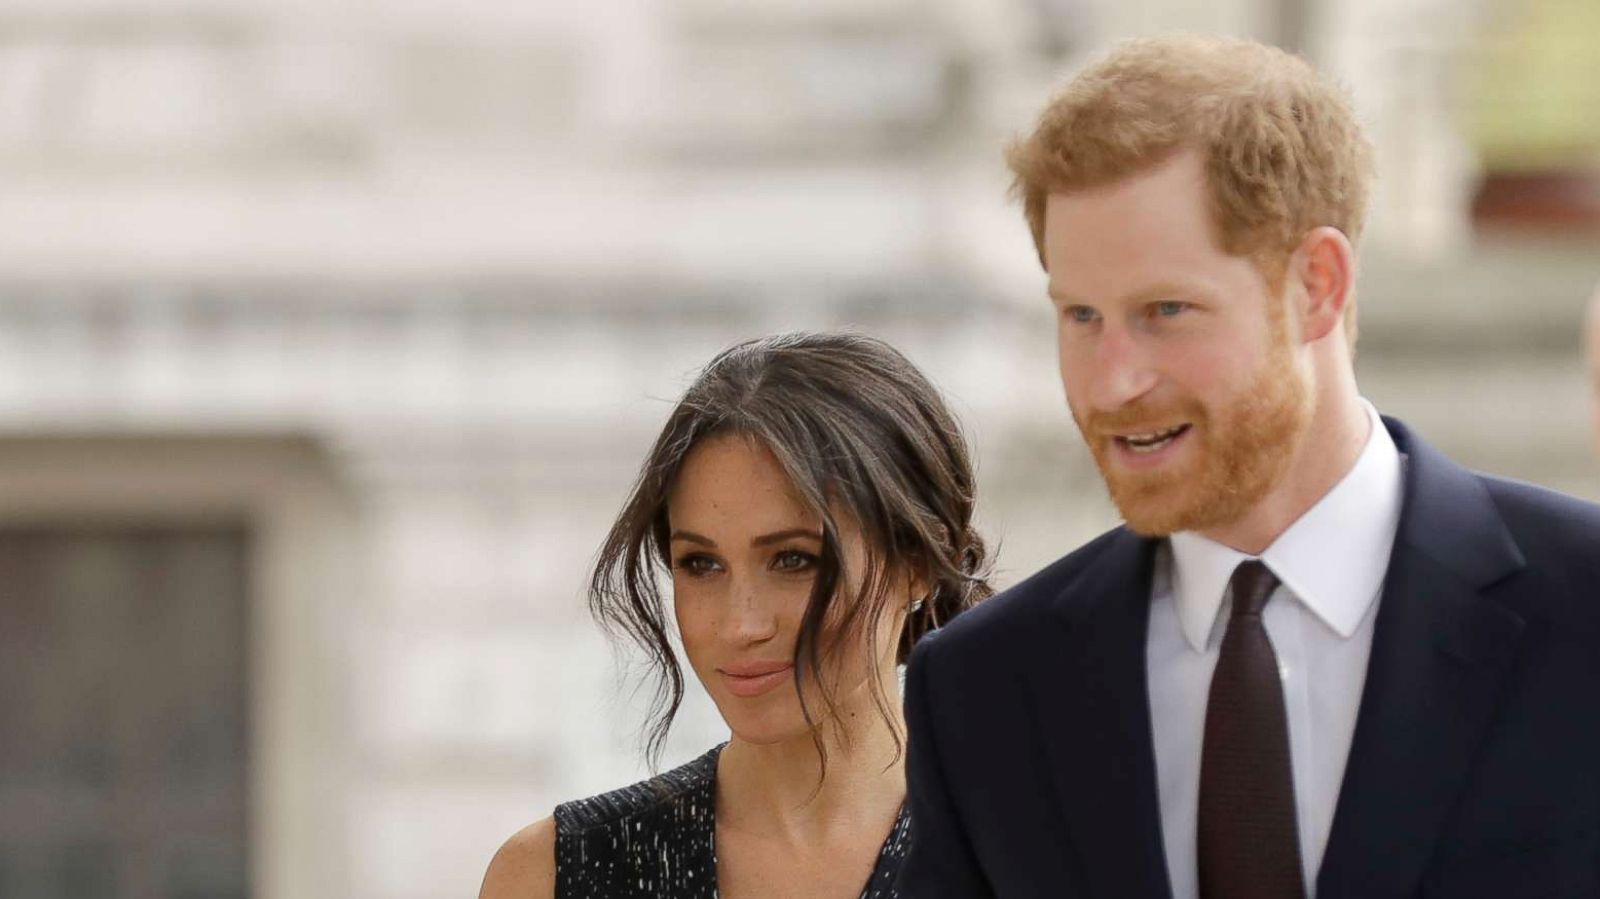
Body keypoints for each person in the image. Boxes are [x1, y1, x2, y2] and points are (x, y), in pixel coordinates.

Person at [900, 34, 1600, 899]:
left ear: (1318, 284)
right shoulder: (982, 689)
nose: (1112, 382)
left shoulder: (1585, 610)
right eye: (1080, 315)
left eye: (1165, 310)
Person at [479, 332, 992, 899]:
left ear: (918, 561)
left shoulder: (1037, 851)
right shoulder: (553, 876)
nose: (741, 625)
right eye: (701, 564)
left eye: (795, 560)